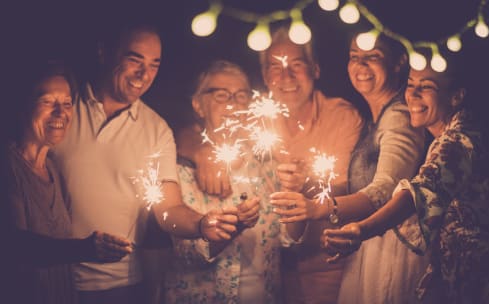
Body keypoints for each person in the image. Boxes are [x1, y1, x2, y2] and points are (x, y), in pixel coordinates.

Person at [52, 24, 237, 304]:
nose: (144, 74)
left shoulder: (156, 130)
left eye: (154, 65)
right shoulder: (63, 109)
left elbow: (169, 207)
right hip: (51, 277)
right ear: (105, 53)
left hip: (120, 285)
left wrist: (201, 224)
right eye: (134, 60)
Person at [323, 53, 489, 303]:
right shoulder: (451, 134)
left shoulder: (458, 141)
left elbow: (417, 194)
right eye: (411, 84)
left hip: (477, 282)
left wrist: (361, 230)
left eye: (427, 86)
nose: (414, 95)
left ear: (456, 96)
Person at [271, 31, 427, 304]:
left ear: (398, 62)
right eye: (354, 57)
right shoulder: (377, 118)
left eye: (373, 57)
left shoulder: (399, 117)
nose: (361, 66)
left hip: (392, 251)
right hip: (367, 250)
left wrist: (320, 208)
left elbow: (385, 189)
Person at [165, 60, 302, 303]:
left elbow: (288, 239)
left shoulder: (268, 168)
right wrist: (235, 225)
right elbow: (189, 255)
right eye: (221, 95)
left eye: (241, 96)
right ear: (198, 105)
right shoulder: (179, 172)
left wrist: (296, 196)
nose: (233, 103)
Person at [4, 61, 133, 304]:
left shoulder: (53, 169)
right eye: (47, 102)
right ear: (23, 105)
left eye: (66, 104)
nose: (60, 113)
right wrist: (85, 249)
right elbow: (15, 246)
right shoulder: (9, 167)